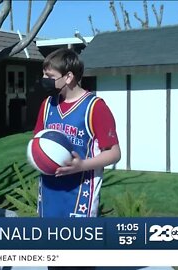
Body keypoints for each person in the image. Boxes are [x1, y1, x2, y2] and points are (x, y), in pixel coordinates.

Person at [34, 48, 121, 270]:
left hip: (79, 197)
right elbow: (37, 143)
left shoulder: (95, 107)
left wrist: (81, 165)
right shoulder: (47, 106)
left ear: (69, 76)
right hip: (50, 194)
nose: (45, 81)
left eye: (50, 77)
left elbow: (114, 153)